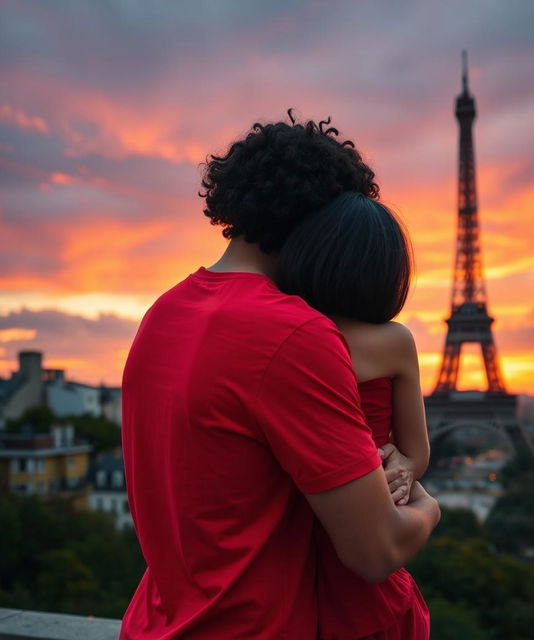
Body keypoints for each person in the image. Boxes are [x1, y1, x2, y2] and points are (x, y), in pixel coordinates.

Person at [119, 111, 440, 639]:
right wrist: (429, 508)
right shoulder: (294, 335)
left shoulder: (162, 314)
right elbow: (375, 551)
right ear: (326, 224)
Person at [278, 192, 431, 639]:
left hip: (295, 541)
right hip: (368, 540)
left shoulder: (284, 335)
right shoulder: (395, 341)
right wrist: (403, 474)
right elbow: (416, 452)